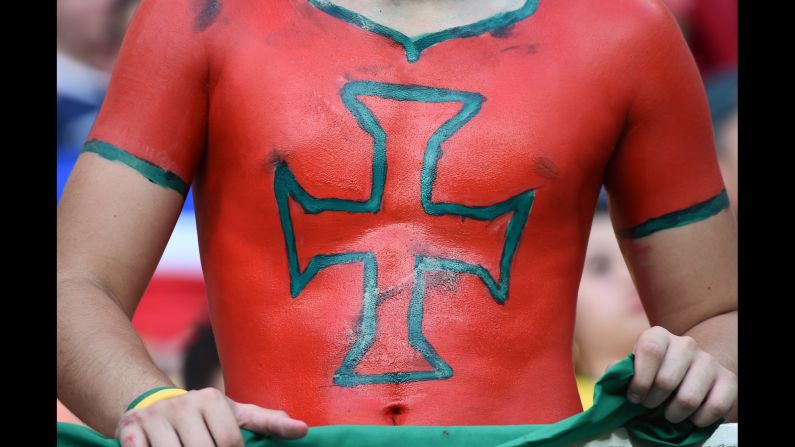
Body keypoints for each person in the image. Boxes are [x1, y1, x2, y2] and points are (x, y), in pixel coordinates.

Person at [57, 0, 738, 445]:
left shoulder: (626, 32)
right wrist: (148, 400)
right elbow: (71, 282)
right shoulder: (197, 16)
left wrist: (699, 368)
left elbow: (722, 318)